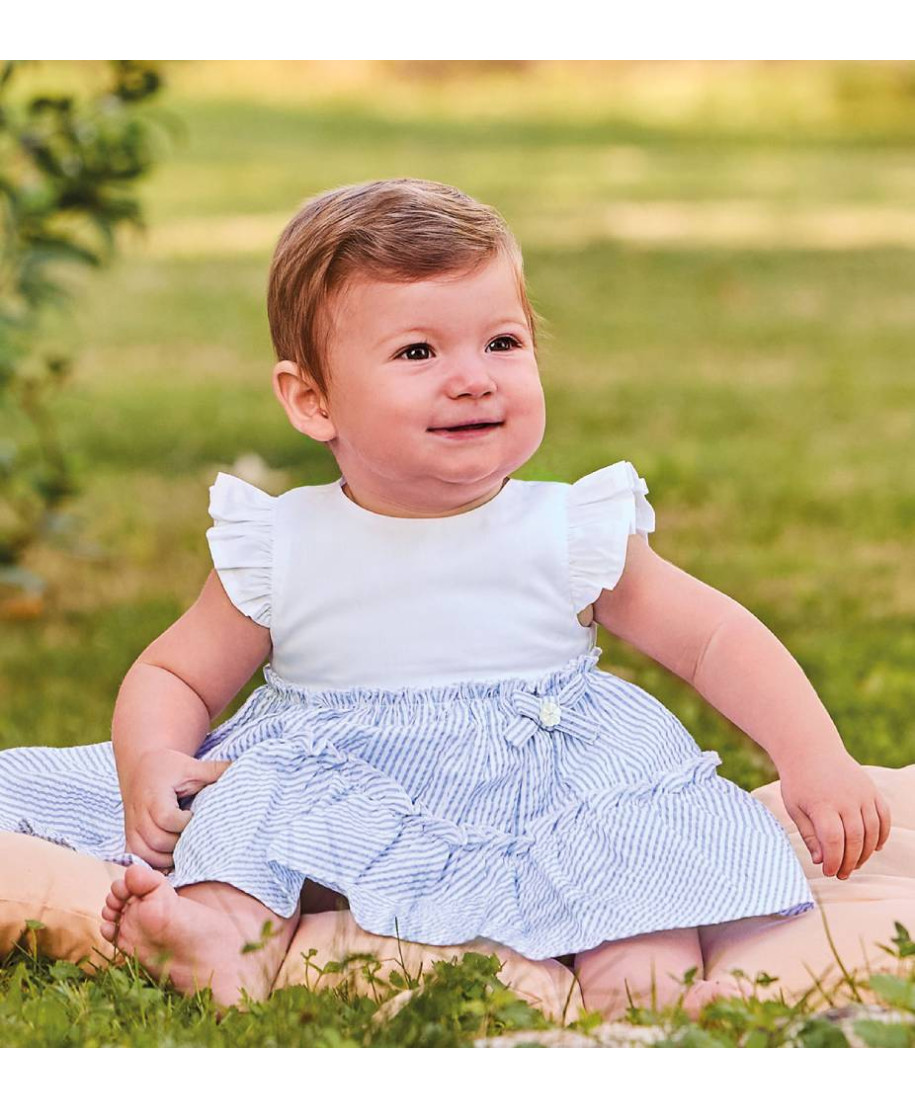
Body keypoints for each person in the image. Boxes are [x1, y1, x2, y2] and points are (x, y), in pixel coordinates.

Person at [0, 178, 892, 1018]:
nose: (473, 377)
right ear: (312, 400)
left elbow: (712, 638)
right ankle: (219, 939)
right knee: (251, 799)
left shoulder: (569, 530)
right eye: (418, 352)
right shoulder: (278, 542)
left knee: (631, 845)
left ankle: (645, 991)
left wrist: (812, 756)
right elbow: (177, 673)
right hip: (348, 787)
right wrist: (152, 758)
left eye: (502, 342)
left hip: (547, 786)